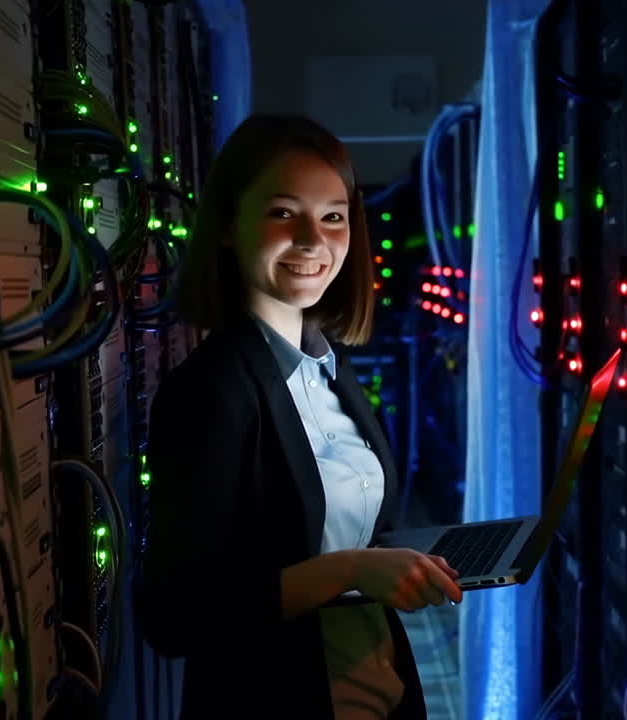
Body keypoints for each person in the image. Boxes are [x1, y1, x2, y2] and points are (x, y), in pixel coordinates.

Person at [138, 113, 463, 719]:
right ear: (228, 225)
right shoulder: (208, 392)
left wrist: (398, 560)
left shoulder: (331, 368)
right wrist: (352, 569)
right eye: (284, 213)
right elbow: (174, 613)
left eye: (333, 217)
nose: (314, 240)